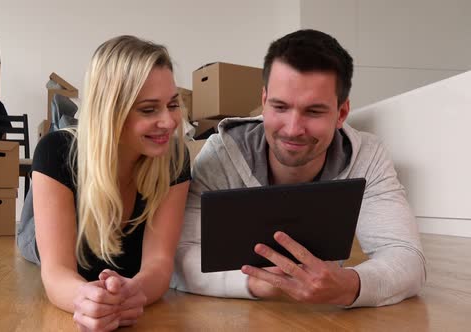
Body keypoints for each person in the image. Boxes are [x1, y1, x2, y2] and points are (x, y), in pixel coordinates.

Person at [170, 29, 426, 307]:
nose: (293, 130)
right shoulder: (220, 154)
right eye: (280, 107)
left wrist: (349, 284)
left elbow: (407, 258)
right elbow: (180, 257)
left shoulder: (367, 155)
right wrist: (256, 282)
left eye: (314, 112)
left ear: (341, 113)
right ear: (264, 100)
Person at [17, 35, 191, 331]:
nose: (169, 122)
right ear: (110, 110)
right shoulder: (55, 151)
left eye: (172, 104)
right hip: (45, 234)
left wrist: (134, 293)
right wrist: (84, 299)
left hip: (106, 254)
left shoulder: (174, 158)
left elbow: (159, 263)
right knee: (38, 249)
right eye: (149, 109)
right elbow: (57, 272)